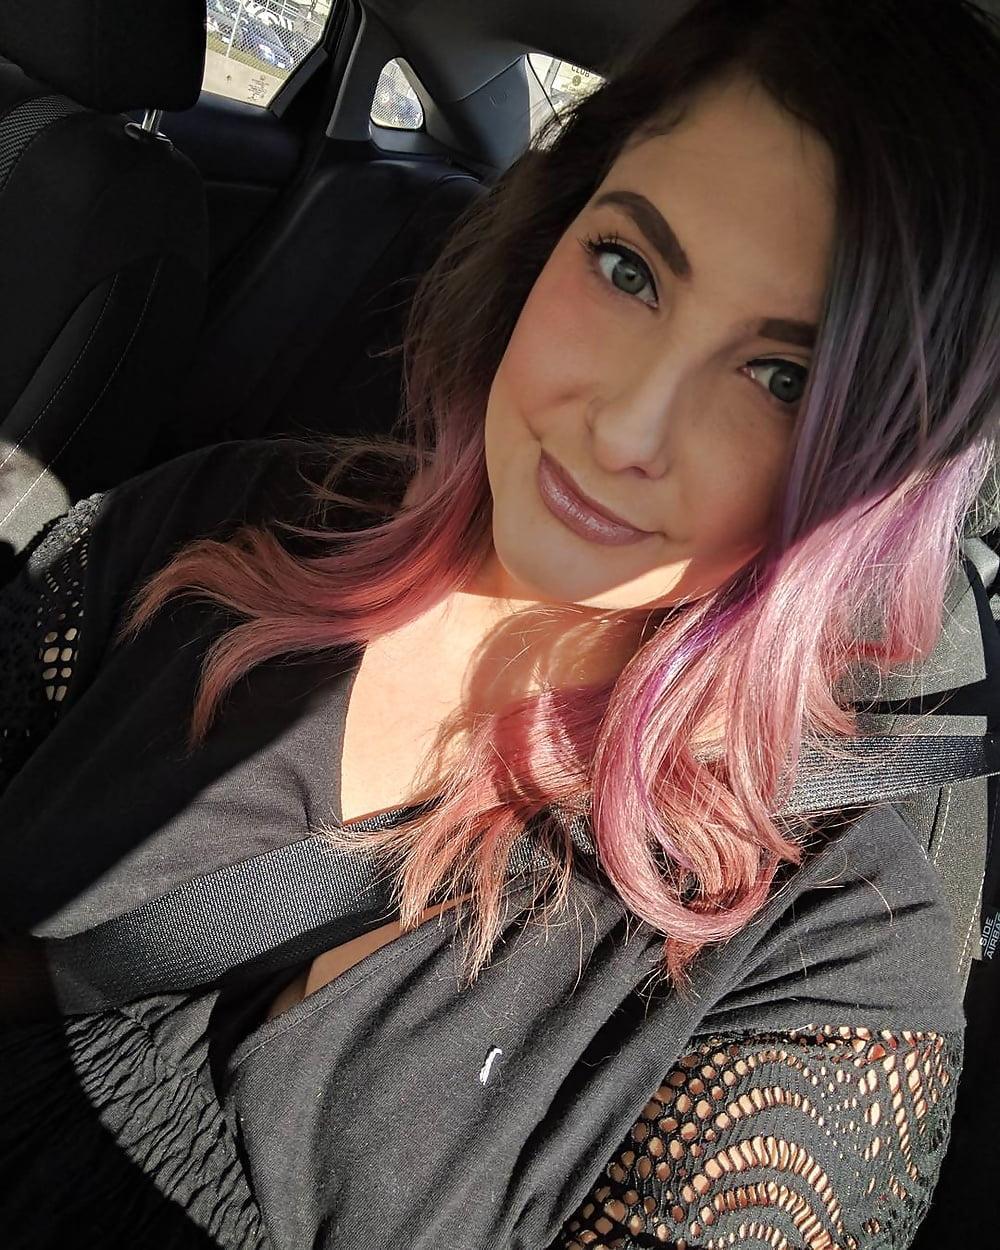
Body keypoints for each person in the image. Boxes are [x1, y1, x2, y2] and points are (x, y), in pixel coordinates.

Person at [1, 0, 998, 1245]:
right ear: (550, 231)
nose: (622, 428)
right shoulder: (235, 516)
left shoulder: (830, 961)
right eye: (628, 268)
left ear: (881, 467)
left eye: (781, 376)